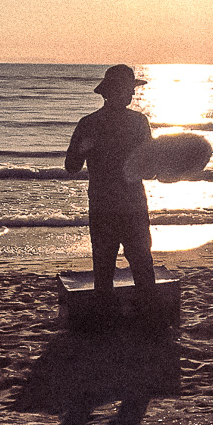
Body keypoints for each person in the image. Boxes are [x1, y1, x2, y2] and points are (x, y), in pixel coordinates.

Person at [65, 64, 157, 322]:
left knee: (104, 270)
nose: (131, 95)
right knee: (141, 266)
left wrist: (84, 149)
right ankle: (149, 324)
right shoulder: (139, 123)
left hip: (104, 207)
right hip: (131, 207)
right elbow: (148, 170)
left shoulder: (88, 123)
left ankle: (105, 325)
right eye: (129, 90)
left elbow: (71, 166)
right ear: (116, 92)